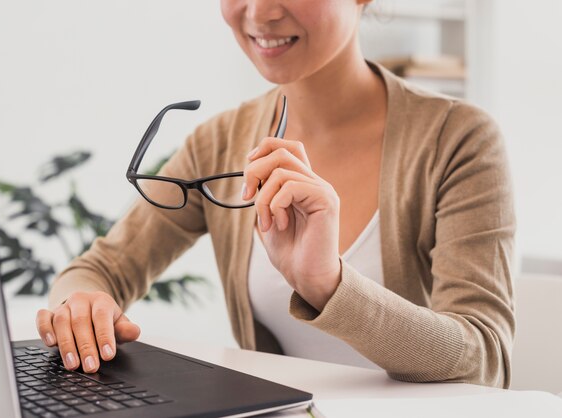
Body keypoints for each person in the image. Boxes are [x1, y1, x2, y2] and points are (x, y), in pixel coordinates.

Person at [36, 0, 515, 388]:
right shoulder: (219, 142)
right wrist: (80, 306)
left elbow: (483, 359)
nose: (260, 12)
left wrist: (329, 286)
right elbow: (100, 269)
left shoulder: (458, 139)